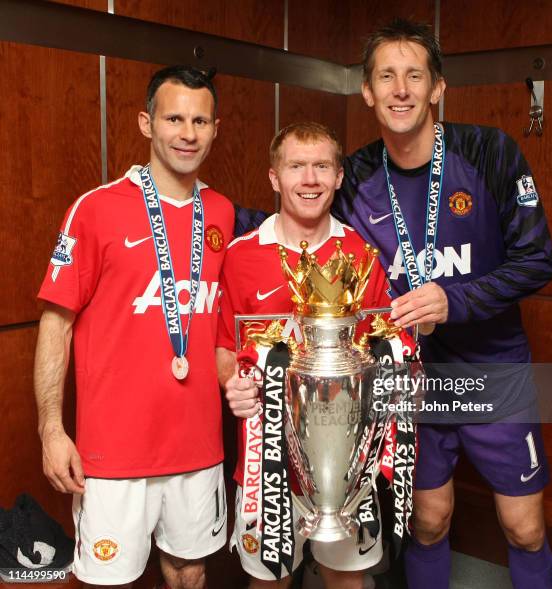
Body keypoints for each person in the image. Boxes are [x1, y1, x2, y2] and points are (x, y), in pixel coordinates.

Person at [332, 18, 552, 589]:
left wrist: (452, 302)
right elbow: (295, 223)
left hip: (493, 368)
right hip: (412, 379)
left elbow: (537, 260)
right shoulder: (353, 175)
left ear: (438, 87)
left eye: (414, 76)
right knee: (428, 522)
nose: (400, 89)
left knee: (525, 529)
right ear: (368, 91)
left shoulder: (489, 151)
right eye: (387, 76)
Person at [34, 65, 234, 589]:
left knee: (190, 570)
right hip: (113, 452)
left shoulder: (221, 213)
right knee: (108, 581)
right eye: (173, 118)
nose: (188, 133)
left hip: (199, 447)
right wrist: (52, 430)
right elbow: (55, 325)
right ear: (146, 123)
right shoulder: (95, 210)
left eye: (200, 120)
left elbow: (220, 328)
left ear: (215, 128)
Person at [216, 122, 391, 589]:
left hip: (345, 460)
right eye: (296, 166)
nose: (309, 179)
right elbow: (222, 345)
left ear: (338, 177)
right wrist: (231, 384)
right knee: (270, 581)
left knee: (346, 578)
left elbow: (381, 348)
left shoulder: (362, 254)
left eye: (321, 167)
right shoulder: (240, 255)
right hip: (266, 459)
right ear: (275, 177)